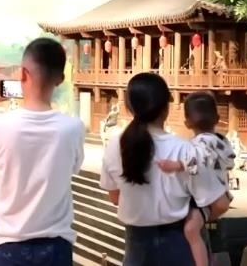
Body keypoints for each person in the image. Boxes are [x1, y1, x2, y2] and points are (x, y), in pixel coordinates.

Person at [0, 37, 85, 266]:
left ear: (22, 74)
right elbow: (74, 167)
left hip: (5, 249)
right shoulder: (73, 129)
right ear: (60, 79)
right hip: (55, 251)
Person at [100, 73, 225, 266]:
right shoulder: (185, 149)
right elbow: (220, 204)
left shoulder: (115, 144)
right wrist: (200, 217)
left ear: (129, 107)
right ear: (166, 108)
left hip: (136, 246)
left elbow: (115, 197)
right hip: (179, 244)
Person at [157, 91, 234, 266]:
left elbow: (198, 157)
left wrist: (177, 165)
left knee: (190, 230)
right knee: (194, 230)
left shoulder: (199, 144)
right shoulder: (221, 140)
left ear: (187, 123)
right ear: (217, 118)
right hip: (217, 196)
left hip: (208, 199)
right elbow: (228, 161)